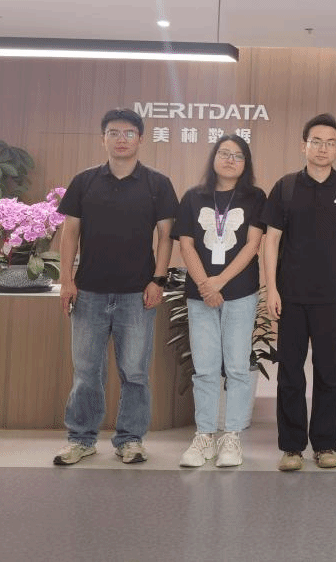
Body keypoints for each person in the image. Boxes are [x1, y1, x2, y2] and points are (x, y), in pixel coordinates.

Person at [54, 108, 177, 465]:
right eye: (113, 132)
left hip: (137, 294)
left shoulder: (157, 183)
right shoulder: (84, 181)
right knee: (86, 372)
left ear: (141, 139)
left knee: (135, 372)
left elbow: (166, 236)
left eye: (128, 133)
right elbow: (70, 233)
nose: (121, 139)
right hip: (89, 292)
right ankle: (81, 438)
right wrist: (67, 280)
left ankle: (130, 439)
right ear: (102, 139)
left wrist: (158, 279)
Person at [261, 113, 336, 472]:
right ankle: (291, 447)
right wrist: (271, 288)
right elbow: (270, 240)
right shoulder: (286, 187)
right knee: (290, 372)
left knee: (328, 372)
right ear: (303, 145)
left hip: (332, 297)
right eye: (316, 141)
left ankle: (324, 444)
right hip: (290, 296)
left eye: (330, 143)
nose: (323, 148)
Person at [173, 135, 266, 468]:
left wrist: (220, 282)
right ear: (213, 157)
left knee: (238, 368)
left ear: (246, 163)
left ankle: (232, 437)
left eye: (238, 155)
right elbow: (186, 245)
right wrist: (205, 285)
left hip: (240, 293)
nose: (230, 159)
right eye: (224, 153)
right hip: (200, 296)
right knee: (205, 369)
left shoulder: (255, 197)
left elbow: (253, 244)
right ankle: (204, 436)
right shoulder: (193, 196)